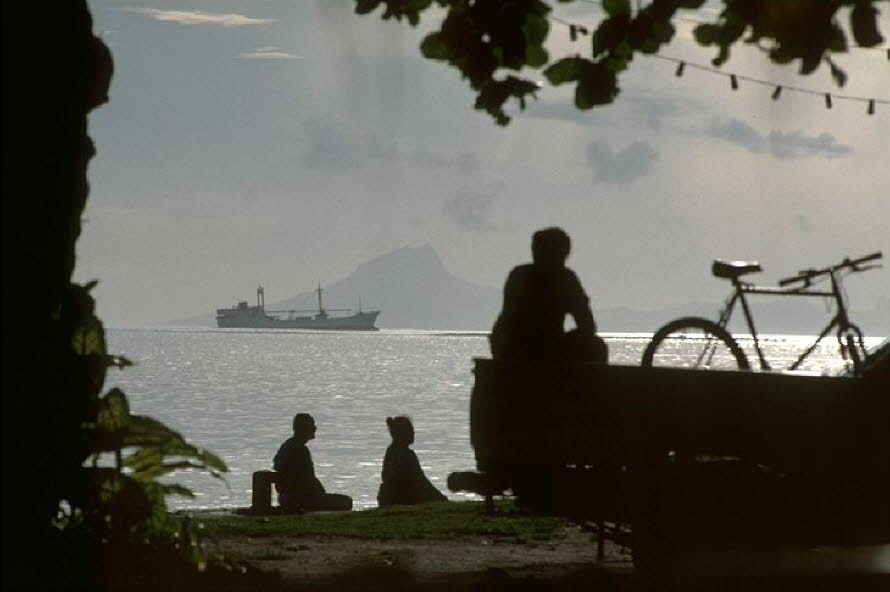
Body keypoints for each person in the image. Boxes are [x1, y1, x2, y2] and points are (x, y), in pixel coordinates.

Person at [490, 227, 607, 362]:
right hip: (525, 346)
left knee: (593, 345)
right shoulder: (564, 279)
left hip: (516, 346)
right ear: (565, 253)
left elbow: (587, 325)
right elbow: (587, 325)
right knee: (596, 346)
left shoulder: (519, 275)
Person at [273, 413, 352, 512]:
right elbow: (307, 479)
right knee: (346, 501)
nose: (315, 428)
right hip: (298, 498)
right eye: (312, 425)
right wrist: (319, 493)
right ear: (303, 428)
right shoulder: (300, 449)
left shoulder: (288, 445)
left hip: (287, 497)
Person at [377, 416, 447, 507]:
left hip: (387, 497)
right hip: (402, 497)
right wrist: (441, 498)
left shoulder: (390, 451)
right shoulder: (408, 455)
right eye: (410, 430)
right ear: (402, 433)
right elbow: (421, 481)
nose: (413, 433)